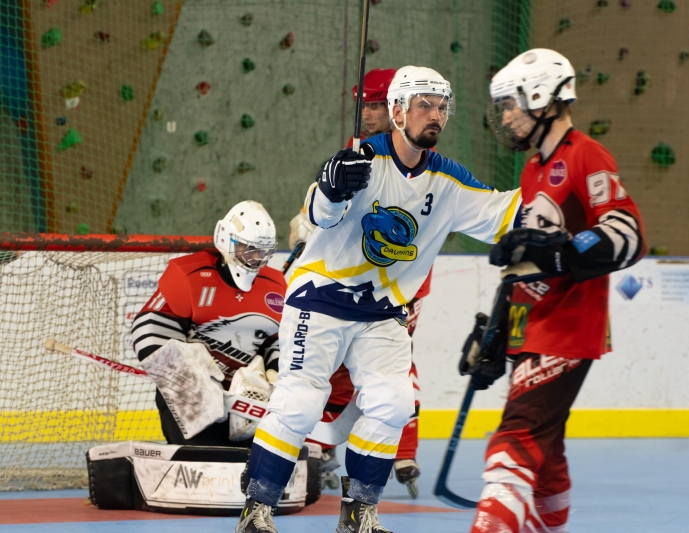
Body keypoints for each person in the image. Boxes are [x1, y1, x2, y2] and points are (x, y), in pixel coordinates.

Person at [236, 65, 522, 533]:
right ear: (397, 111)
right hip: (320, 299)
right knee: (299, 402)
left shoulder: (449, 181)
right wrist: (331, 187)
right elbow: (319, 216)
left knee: (394, 402)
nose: (435, 114)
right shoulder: (359, 161)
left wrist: (555, 180)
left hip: (382, 311)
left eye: (442, 106)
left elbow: (506, 214)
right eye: (424, 104)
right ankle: (257, 509)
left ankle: (358, 514)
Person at [469, 49, 646, 533]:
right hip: (533, 326)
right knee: (546, 448)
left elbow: (628, 233)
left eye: (510, 104)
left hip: (568, 325)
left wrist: (564, 252)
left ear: (541, 96)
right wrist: (497, 333)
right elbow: (528, 264)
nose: (506, 117)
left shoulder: (587, 155)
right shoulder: (532, 169)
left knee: (517, 437)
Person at [287, 67, 429, 498]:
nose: (367, 113)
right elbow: (313, 213)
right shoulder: (353, 154)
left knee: (393, 362)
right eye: (362, 104)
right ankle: (320, 446)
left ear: (396, 107)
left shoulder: (414, 157)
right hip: (346, 280)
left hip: (397, 280)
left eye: (376, 104)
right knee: (326, 359)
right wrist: (305, 234)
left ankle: (402, 451)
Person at [131, 200, 282, 447]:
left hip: (248, 403)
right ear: (225, 240)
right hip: (190, 398)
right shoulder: (189, 275)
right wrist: (191, 381)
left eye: (262, 252)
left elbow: (279, 343)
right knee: (201, 457)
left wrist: (275, 377)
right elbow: (149, 328)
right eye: (248, 249)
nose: (255, 258)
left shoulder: (276, 285)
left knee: (255, 461)